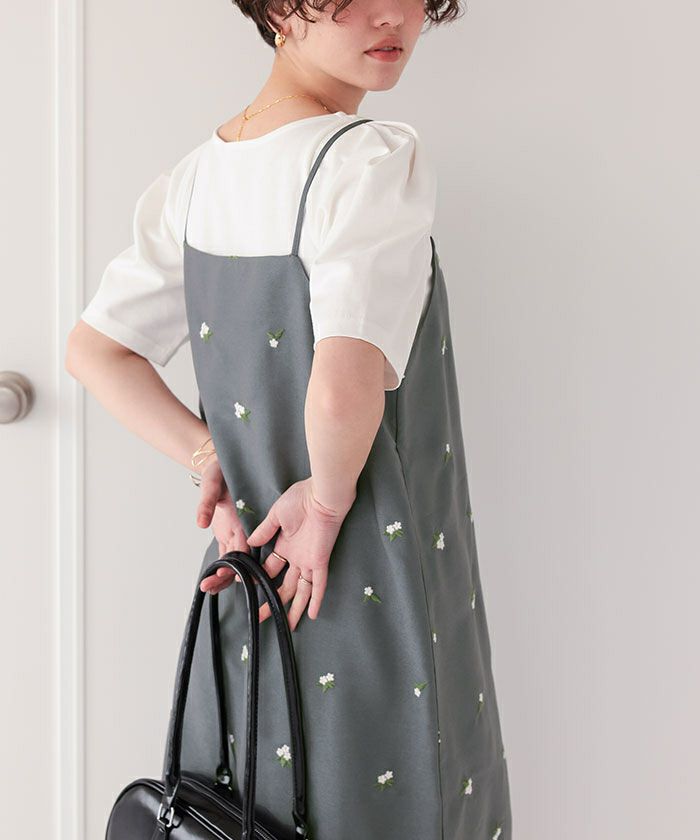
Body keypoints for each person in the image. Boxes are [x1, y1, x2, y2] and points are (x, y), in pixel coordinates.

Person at [65, 0, 512, 837]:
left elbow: (96, 351)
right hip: (360, 569)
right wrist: (329, 502)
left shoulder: (199, 179)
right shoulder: (367, 160)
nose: (392, 16)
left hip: (249, 576)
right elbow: (343, 385)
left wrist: (209, 457)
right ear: (277, 6)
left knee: (252, 808)